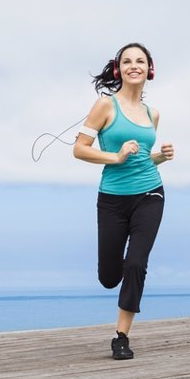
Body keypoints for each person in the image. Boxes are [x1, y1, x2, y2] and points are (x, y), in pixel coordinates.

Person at [73, 43, 174, 360]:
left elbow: (141, 159)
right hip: (113, 199)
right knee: (109, 277)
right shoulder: (105, 106)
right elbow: (80, 149)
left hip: (150, 194)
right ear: (118, 70)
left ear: (150, 69)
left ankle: (121, 337)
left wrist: (159, 157)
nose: (134, 65)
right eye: (127, 61)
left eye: (140, 61)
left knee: (136, 264)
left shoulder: (151, 114)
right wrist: (115, 157)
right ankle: (114, 276)